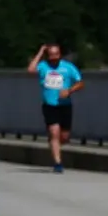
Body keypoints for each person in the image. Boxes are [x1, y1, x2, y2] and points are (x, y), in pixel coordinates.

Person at [29, 42, 81, 172]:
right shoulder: (43, 66)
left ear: (60, 54)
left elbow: (80, 83)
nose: (54, 57)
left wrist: (69, 91)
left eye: (56, 54)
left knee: (64, 137)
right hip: (49, 105)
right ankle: (58, 164)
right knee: (54, 133)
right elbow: (30, 70)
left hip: (65, 105)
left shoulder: (68, 67)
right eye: (51, 55)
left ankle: (54, 143)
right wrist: (40, 51)